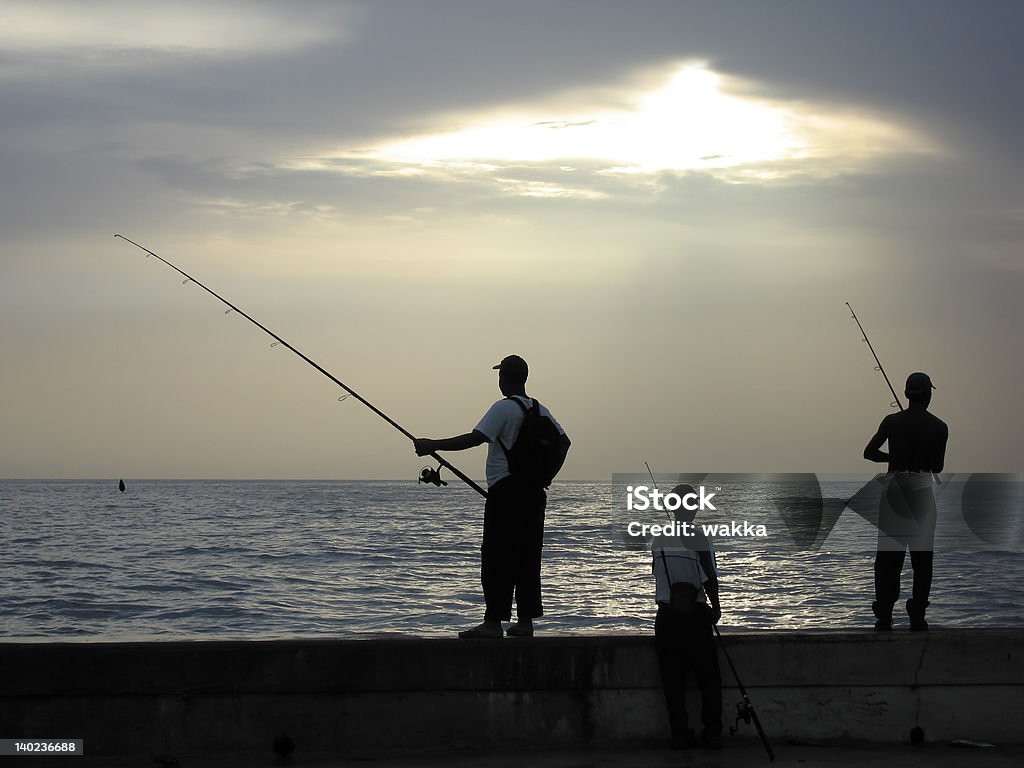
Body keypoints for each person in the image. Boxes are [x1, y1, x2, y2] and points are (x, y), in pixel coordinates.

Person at [413, 355, 569, 639]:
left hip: (506, 492)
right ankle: (525, 623)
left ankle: (493, 623)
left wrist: (432, 445)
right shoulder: (541, 410)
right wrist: (544, 477)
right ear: (524, 378)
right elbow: (564, 442)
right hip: (534, 494)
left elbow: (474, 438)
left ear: (503, 379)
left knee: (497, 555)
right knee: (527, 556)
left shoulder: (504, 408)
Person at [863, 372, 949, 631]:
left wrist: (894, 457)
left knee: (888, 559)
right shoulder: (940, 427)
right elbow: (938, 466)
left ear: (906, 394)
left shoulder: (891, 421)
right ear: (929, 395)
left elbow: (869, 453)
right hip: (922, 498)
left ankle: (884, 616)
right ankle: (918, 616)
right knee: (922, 560)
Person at [651, 483, 723, 750]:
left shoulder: (658, 538)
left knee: (672, 681)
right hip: (695, 616)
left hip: (667, 617)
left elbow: (654, 571)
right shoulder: (700, 537)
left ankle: (680, 734)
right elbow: (710, 577)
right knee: (709, 678)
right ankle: (712, 731)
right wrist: (716, 608)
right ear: (693, 508)